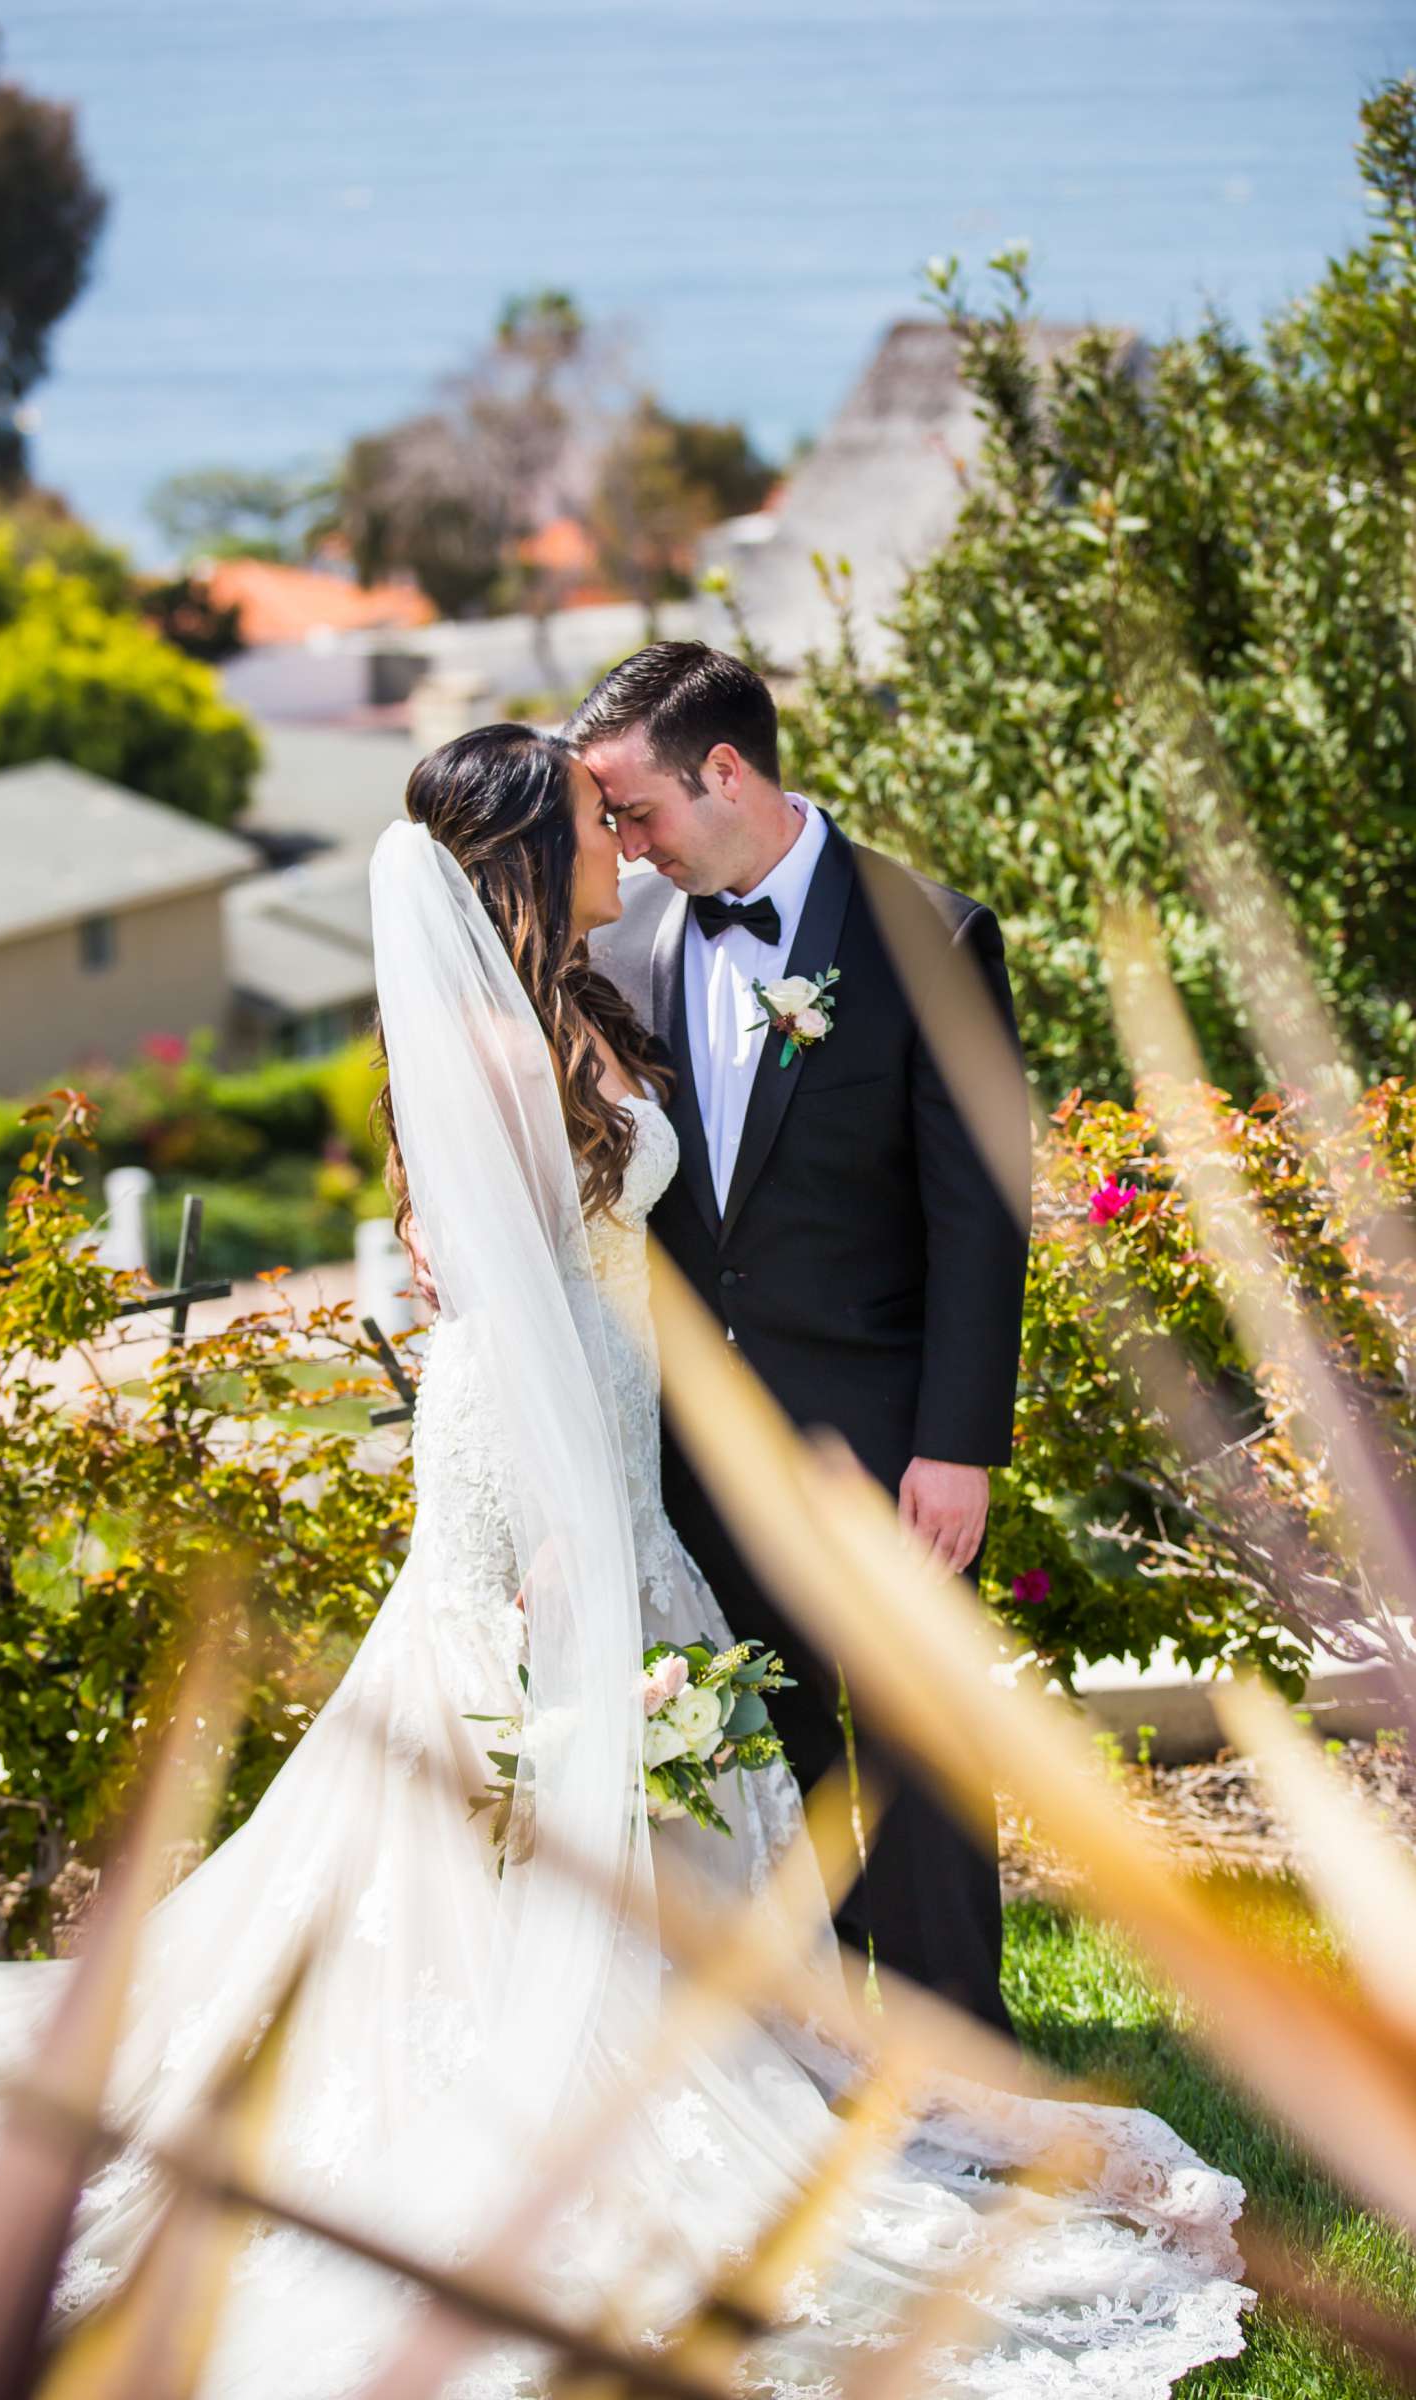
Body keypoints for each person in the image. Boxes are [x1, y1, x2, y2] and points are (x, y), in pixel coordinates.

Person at [0, 727, 1249, 2400]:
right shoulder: (506, 1054)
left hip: (617, 1460)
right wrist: (564, 1552)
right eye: (595, 820)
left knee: (601, 1811)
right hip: (542, 1472)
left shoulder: (569, 1002)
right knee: (538, 1795)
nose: (626, 847)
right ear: (525, 853)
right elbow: (509, 1323)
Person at [574, 642, 1027, 2031]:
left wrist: (958, 1448)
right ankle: (824, 2048)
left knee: (918, 1748)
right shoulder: (625, 947)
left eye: (635, 810)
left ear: (727, 772)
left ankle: (963, 2048)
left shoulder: (926, 937)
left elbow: (983, 1215)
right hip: (694, 1453)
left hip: (880, 1443)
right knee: (759, 1758)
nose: (623, 844)